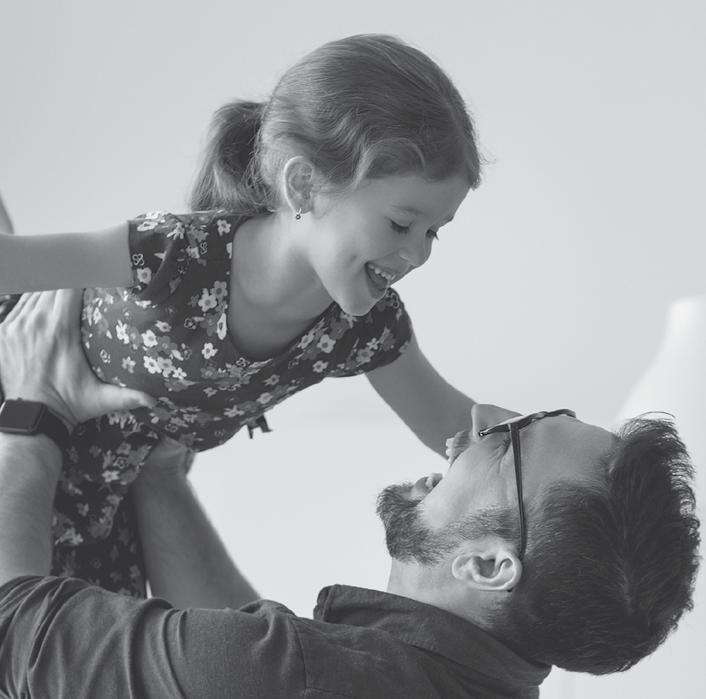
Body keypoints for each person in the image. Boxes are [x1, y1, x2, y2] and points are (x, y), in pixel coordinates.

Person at [0, 292, 699, 698]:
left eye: (509, 439)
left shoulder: (300, 676)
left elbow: (12, 630)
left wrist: (35, 409)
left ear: (489, 564)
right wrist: (159, 480)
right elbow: (242, 640)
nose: (481, 418)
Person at [0, 34, 480, 596]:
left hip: (104, 519)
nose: (418, 255)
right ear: (305, 185)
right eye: (401, 224)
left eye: (434, 233)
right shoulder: (175, 255)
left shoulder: (365, 329)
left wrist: (571, 452)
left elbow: (458, 428)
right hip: (18, 441)